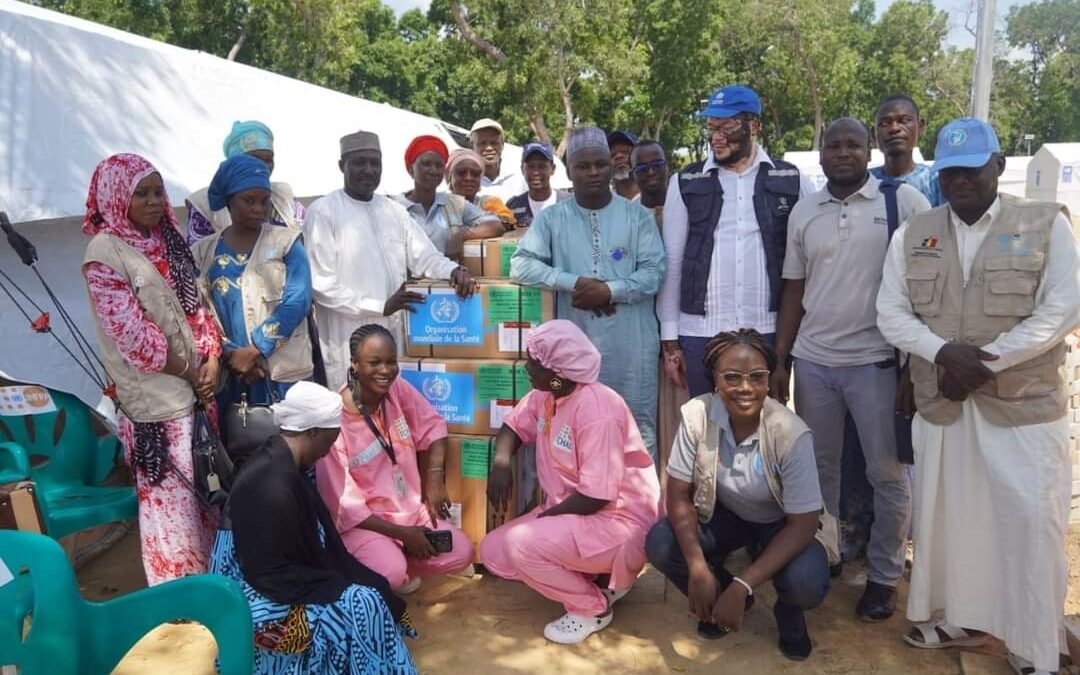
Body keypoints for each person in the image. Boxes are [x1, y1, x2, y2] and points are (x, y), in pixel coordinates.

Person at [876, 118, 1080, 675]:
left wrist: (984, 362)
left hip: (1021, 408)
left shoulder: (1044, 224)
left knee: (1028, 525)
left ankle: (1032, 646)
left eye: (971, 169)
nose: (960, 181)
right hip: (943, 406)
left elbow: (1062, 308)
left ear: (998, 165)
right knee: (950, 523)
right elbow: (891, 312)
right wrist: (943, 353)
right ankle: (958, 620)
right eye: (950, 172)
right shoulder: (915, 232)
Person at [771, 118, 929, 622]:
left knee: (887, 472)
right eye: (833, 145)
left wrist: (912, 367)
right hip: (814, 362)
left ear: (869, 150)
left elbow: (925, 287)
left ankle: (884, 577)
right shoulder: (805, 211)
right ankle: (827, 553)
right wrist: (781, 359)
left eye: (853, 145)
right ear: (820, 154)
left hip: (877, 363)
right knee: (818, 470)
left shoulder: (902, 203)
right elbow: (794, 288)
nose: (842, 153)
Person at [646, 330, 831, 661]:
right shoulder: (697, 415)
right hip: (727, 515)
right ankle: (719, 595)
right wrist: (698, 568)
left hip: (782, 524)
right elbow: (677, 496)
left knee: (805, 581)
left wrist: (743, 584)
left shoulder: (791, 432)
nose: (745, 387)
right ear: (715, 380)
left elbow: (803, 525)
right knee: (661, 544)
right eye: (731, 377)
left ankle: (787, 611)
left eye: (757, 377)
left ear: (768, 380)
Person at [209, 381, 418, 674]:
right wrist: (342, 586)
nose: (328, 450)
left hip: (278, 579)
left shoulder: (278, 461)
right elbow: (272, 575)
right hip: (265, 596)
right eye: (330, 441)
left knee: (374, 588)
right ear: (313, 432)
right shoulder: (276, 485)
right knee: (365, 604)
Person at [82, 153, 222, 585]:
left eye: (157, 191)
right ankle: (180, 596)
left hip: (198, 390)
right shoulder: (104, 255)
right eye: (140, 193)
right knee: (172, 506)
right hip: (158, 405)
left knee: (207, 494)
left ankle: (216, 584)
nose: (154, 201)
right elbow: (135, 339)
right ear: (115, 197)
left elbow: (199, 305)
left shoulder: (167, 237)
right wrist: (192, 371)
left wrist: (212, 358)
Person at [480, 320, 661, 645]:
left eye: (534, 363)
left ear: (557, 375)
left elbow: (596, 495)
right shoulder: (547, 395)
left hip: (616, 522)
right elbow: (513, 427)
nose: (526, 367)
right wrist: (502, 463)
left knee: (520, 545)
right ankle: (590, 575)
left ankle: (591, 607)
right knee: (492, 552)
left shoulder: (598, 410)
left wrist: (545, 521)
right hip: (573, 513)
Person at [510, 126, 667, 459]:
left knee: (635, 432)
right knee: (577, 431)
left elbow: (654, 273)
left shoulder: (638, 217)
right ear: (569, 172)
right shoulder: (552, 219)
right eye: (583, 166)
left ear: (612, 166)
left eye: (600, 164)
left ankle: (638, 495)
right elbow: (520, 265)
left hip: (632, 348)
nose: (593, 172)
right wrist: (574, 283)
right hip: (575, 351)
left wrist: (609, 291)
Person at [658, 85, 814, 398]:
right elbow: (673, 261)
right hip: (700, 332)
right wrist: (670, 338)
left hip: (768, 330)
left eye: (726, 127)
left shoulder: (792, 180)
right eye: (711, 128)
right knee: (707, 420)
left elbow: (809, 260)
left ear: (753, 126)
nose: (716, 137)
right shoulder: (685, 182)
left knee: (766, 421)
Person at [304, 130, 476, 389]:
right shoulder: (323, 212)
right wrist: (379, 306)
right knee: (352, 404)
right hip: (347, 334)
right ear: (342, 166)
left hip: (393, 331)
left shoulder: (393, 210)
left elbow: (425, 256)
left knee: (393, 401)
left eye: (375, 163)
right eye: (359, 163)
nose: (368, 170)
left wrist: (454, 271)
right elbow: (321, 284)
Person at [317, 325, 474, 594]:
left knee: (462, 552)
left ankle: (400, 561)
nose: (385, 370)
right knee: (390, 574)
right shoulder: (335, 422)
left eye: (391, 362)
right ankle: (383, 566)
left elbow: (433, 426)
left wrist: (434, 479)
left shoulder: (395, 389)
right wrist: (403, 535)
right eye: (374, 362)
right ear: (354, 364)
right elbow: (346, 509)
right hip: (366, 525)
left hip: (409, 511)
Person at [191, 155, 314, 455]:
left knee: (294, 452)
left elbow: (298, 300)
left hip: (284, 372)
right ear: (229, 201)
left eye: (264, 201)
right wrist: (232, 354)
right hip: (233, 374)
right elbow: (200, 312)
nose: (259, 208)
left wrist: (256, 349)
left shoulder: (287, 242)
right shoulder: (204, 252)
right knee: (242, 452)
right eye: (249, 201)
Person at [187, 120, 305, 244]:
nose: (263, 166)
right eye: (254, 159)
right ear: (233, 162)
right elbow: (197, 253)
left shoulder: (284, 195)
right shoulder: (203, 204)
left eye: (268, 160)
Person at [394, 135, 503, 256]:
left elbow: (495, 224)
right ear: (411, 169)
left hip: (448, 268)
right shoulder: (394, 208)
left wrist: (462, 235)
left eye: (439, 165)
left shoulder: (453, 203)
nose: (433, 170)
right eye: (426, 164)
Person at [871, 94, 943, 207]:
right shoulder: (864, 182)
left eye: (904, 121)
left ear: (920, 127)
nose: (894, 128)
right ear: (873, 133)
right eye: (884, 123)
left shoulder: (936, 181)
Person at [446, 149, 517, 231]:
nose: (468, 178)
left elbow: (508, 223)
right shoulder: (440, 205)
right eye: (461, 173)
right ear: (450, 177)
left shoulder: (489, 202)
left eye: (475, 174)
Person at [506, 141, 570, 228]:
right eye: (530, 166)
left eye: (542, 166)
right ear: (522, 170)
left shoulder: (570, 203)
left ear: (553, 169)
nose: (536, 172)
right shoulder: (513, 206)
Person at [471, 117, 525, 201]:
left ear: (502, 145)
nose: (489, 148)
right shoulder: (466, 180)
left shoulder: (518, 178)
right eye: (482, 143)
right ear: (472, 146)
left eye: (494, 143)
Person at [608, 130, 640, 201]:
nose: (618, 156)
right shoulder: (602, 201)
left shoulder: (657, 195)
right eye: (612, 155)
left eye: (625, 152)